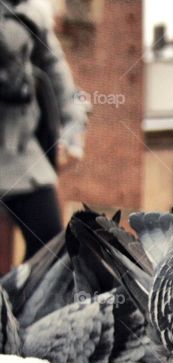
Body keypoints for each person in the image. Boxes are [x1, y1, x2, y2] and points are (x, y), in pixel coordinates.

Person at [0, 0, 86, 260]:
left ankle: (27, 301)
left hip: (21, 152)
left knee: (50, 249)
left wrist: (73, 132)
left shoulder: (31, 15)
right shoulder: (25, 17)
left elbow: (59, 76)